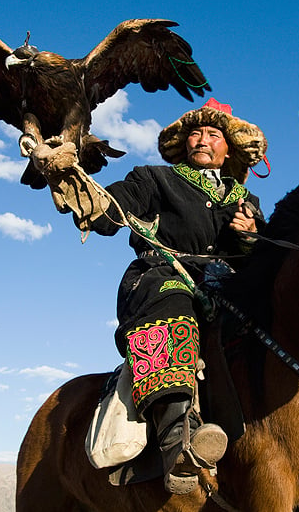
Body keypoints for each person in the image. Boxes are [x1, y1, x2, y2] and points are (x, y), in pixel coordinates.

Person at [78, 98, 268, 494]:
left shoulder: (246, 201)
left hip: (227, 287)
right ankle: (176, 443)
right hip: (162, 275)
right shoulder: (154, 179)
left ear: (228, 148)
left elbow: (260, 259)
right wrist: (78, 187)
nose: (202, 139)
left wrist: (251, 235)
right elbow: (110, 208)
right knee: (175, 305)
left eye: (213, 134)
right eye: (195, 134)